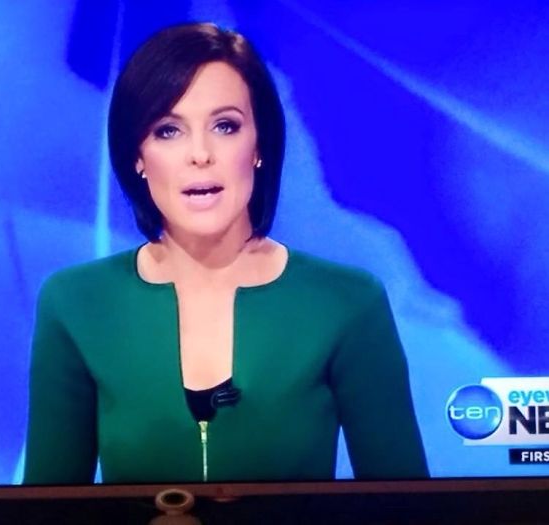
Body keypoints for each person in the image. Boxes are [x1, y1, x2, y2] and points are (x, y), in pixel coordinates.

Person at [23, 22, 428, 484]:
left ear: (258, 145)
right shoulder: (77, 302)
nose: (200, 154)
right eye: (168, 130)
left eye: (224, 126)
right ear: (137, 155)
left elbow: (406, 504)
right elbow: (46, 507)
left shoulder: (346, 302)